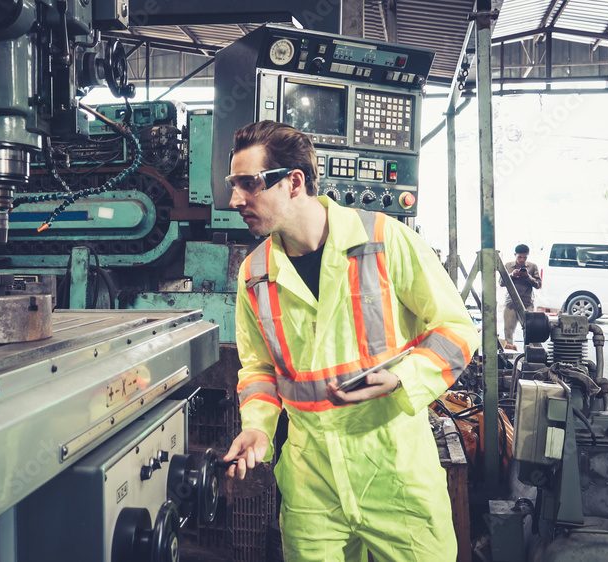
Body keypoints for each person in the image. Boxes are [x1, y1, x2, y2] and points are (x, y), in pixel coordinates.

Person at [221, 121, 480, 562]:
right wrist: (256, 427)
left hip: (396, 475)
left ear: (294, 182)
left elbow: (456, 329)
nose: (235, 200)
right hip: (311, 485)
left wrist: (402, 380)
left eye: (249, 184)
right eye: (234, 185)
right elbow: (259, 370)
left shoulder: (383, 239)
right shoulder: (255, 273)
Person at [501, 243, 542, 343]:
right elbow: (501, 283)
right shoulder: (508, 266)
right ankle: (509, 353)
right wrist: (511, 275)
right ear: (515, 255)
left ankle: (528, 353)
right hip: (510, 303)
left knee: (529, 331)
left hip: (527, 303)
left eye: (525, 257)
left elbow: (538, 285)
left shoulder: (532, 267)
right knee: (508, 331)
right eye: (520, 257)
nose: (522, 260)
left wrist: (527, 276)